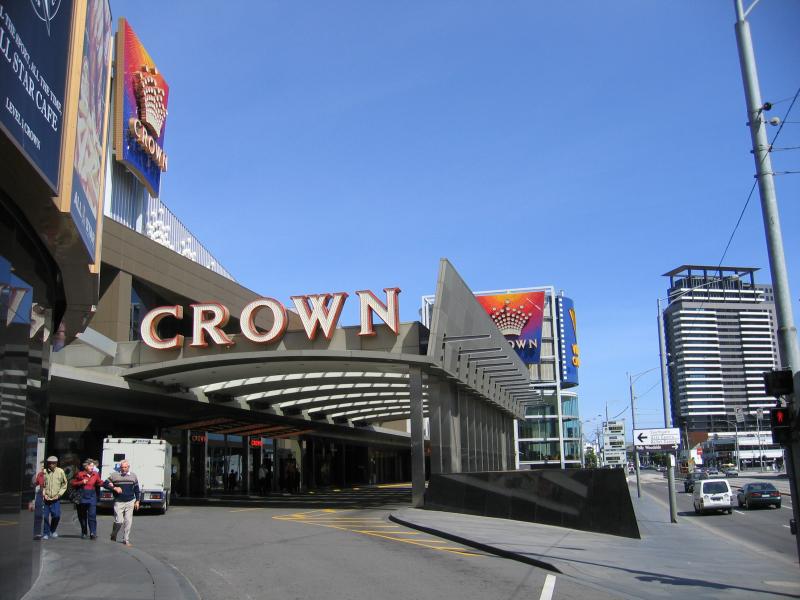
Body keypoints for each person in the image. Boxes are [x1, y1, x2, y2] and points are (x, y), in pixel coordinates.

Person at [103, 460, 140, 547]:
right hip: (118, 501)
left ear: (128, 467)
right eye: (122, 467)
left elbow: (136, 489)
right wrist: (114, 488)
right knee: (119, 521)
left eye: (125, 467)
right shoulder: (115, 475)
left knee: (128, 521)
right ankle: (113, 534)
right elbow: (105, 484)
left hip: (130, 501)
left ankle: (126, 539)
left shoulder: (133, 476)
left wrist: (137, 501)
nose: (123, 469)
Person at [71, 459, 102, 539]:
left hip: (92, 497)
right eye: (91, 465)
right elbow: (72, 483)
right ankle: (84, 531)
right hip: (82, 497)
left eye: (93, 466)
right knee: (82, 516)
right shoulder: (80, 474)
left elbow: (100, 482)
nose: (92, 467)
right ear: (86, 466)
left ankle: (93, 532)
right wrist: (81, 482)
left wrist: (109, 484)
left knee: (92, 515)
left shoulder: (95, 474)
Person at [41, 456, 67, 540]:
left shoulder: (60, 472)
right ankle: (46, 533)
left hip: (56, 498)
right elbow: (42, 485)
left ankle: (52, 530)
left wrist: (59, 494)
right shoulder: (44, 472)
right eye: (50, 463)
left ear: (56, 464)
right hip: (46, 499)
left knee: (56, 516)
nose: (51, 465)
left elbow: (64, 484)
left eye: (53, 463)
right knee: (45, 516)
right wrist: (44, 494)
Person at [31, 462, 45, 540]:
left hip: (49, 495)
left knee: (48, 516)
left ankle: (47, 532)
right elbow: (35, 483)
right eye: (42, 466)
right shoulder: (40, 474)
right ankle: (37, 533)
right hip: (40, 494)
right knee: (38, 515)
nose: (43, 468)